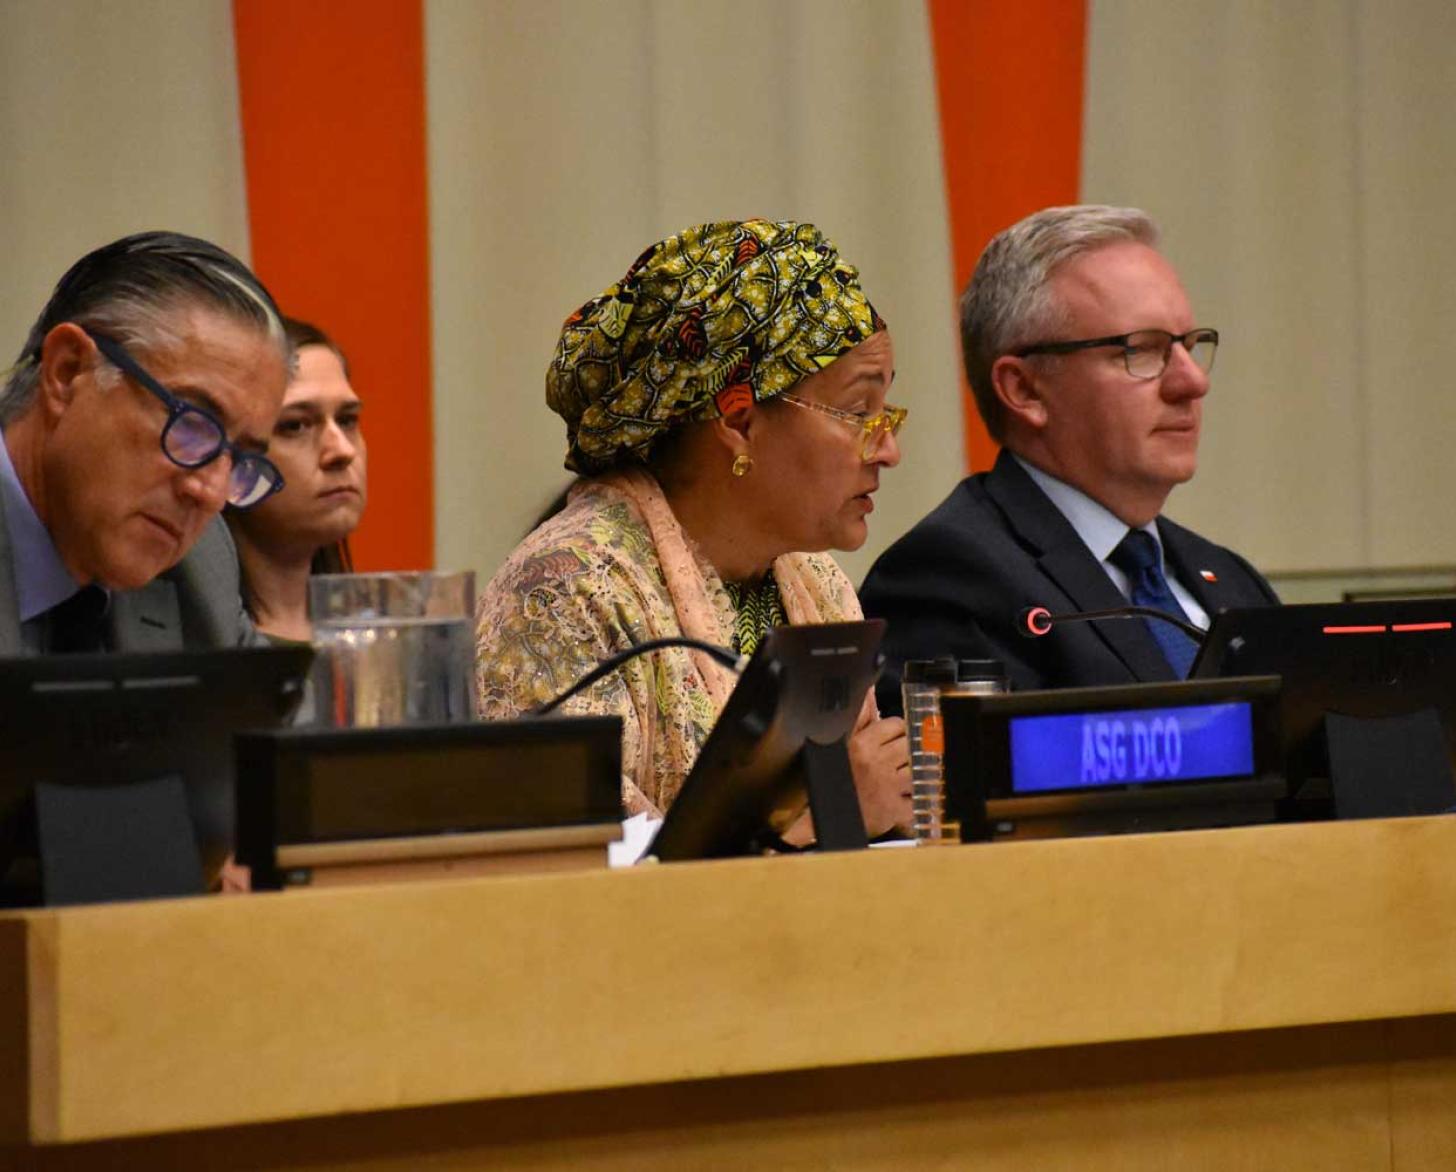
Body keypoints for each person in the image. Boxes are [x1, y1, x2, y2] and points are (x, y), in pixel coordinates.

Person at [475, 219, 911, 840]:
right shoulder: (563, 592)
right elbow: (582, 867)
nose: (888, 450)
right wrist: (832, 814)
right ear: (737, 421)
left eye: (886, 413)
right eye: (857, 412)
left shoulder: (815, 581)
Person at [861, 205, 1278, 709]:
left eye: (1190, 345)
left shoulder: (1232, 579)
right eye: (1141, 349)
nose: (1192, 382)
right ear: (1025, 389)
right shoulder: (948, 579)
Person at [0, 231, 290, 656]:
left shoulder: (199, 569)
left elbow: (270, 693)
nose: (210, 494)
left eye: (239, 459)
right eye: (193, 427)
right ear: (67, 371)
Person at [225, 316, 366, 642]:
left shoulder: (377, 638)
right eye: (295, 425)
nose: (342, 451)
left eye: (347, 420)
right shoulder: (192, 639)